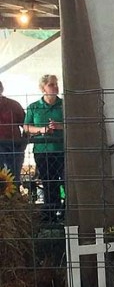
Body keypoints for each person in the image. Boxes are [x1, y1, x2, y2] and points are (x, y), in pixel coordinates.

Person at [24, 74, 64, 221]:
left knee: (67, 181)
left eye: (56, 84)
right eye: (51, 84)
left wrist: (60, 126)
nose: (55, 87)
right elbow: (26, 127)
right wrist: (41, 130)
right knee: (49, 182)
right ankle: (51, 215)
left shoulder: (65, 105)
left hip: (64, 150)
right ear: (43, 88)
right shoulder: (33, 107)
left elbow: (73, 123)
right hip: (43, 151)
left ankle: (67, 212)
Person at [0, 81, 27, 185]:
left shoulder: (13, 105)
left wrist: (22, 144)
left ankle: (14, 200)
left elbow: (26, 125)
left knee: (13, 179)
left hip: (14, 147)